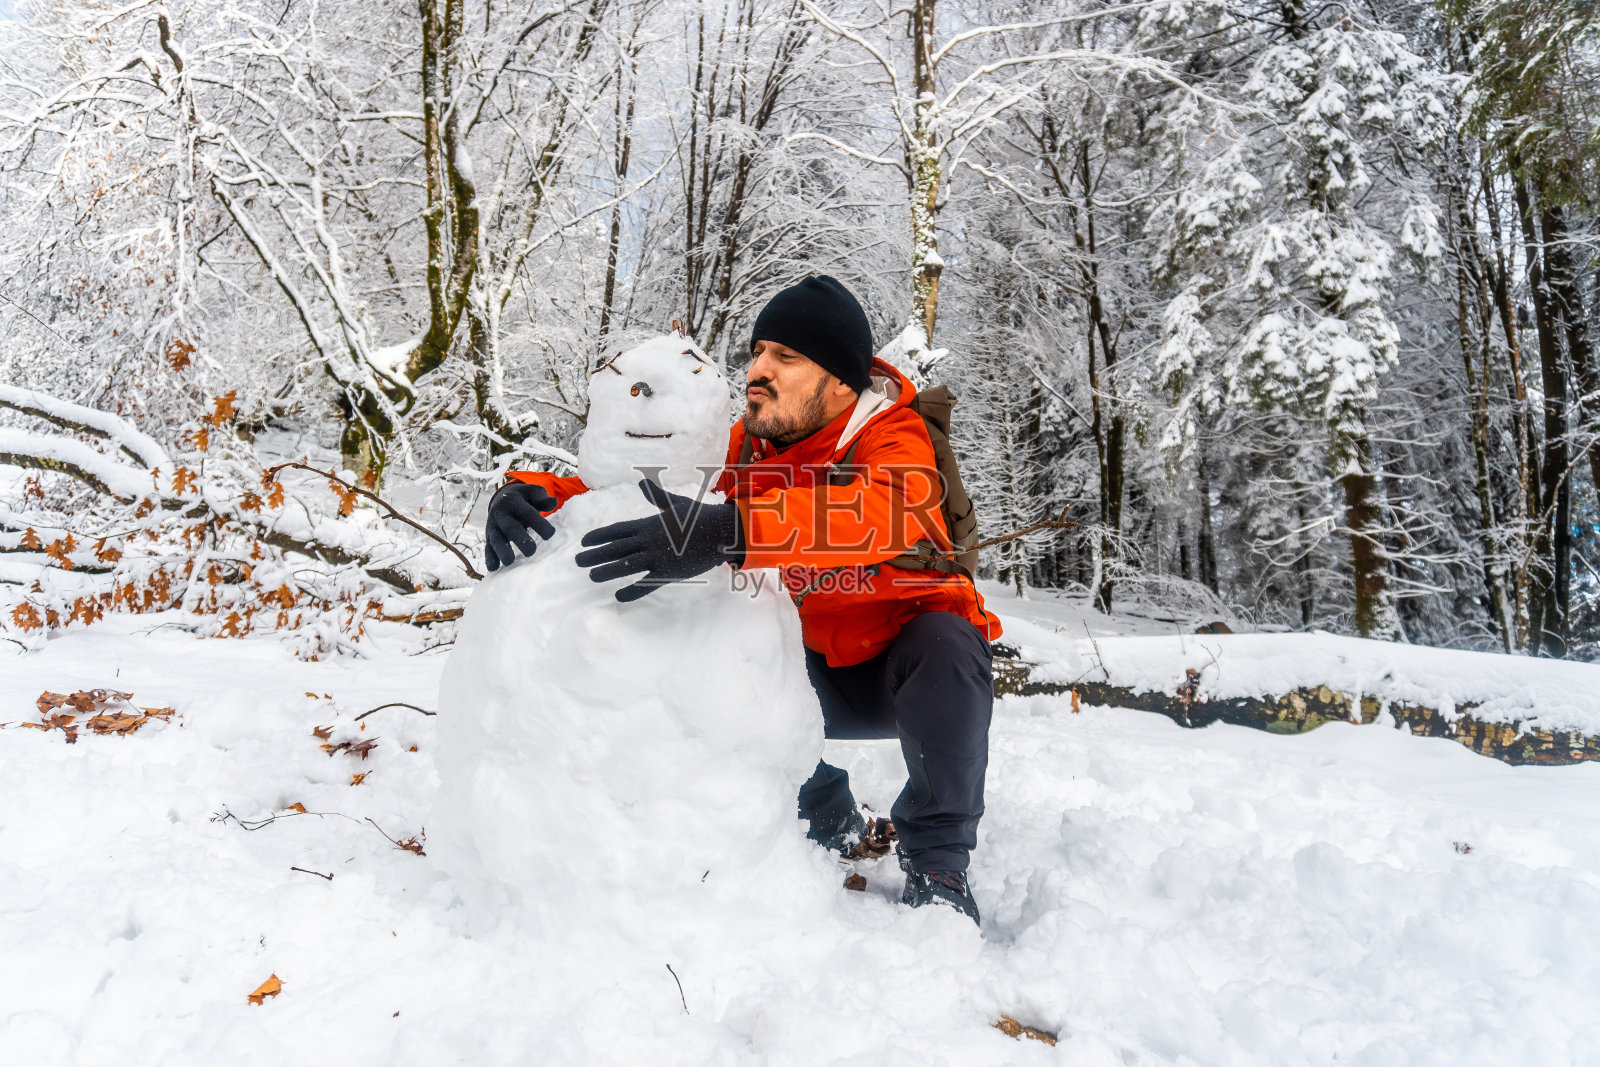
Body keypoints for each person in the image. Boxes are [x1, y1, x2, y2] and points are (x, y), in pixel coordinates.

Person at [483, 276, 1001, 924]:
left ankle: (939, 859)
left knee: (948, 642)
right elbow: (642, 488)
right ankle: (823, 807)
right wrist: (531, 495)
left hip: (897, 673)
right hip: (805, 668)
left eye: (785, 357)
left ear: (840, 381)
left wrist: (733, 530)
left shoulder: (891, 434)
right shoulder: (746, 446)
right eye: (758, 352)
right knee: (723, 630)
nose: (757, 370)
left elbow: (890, 509)